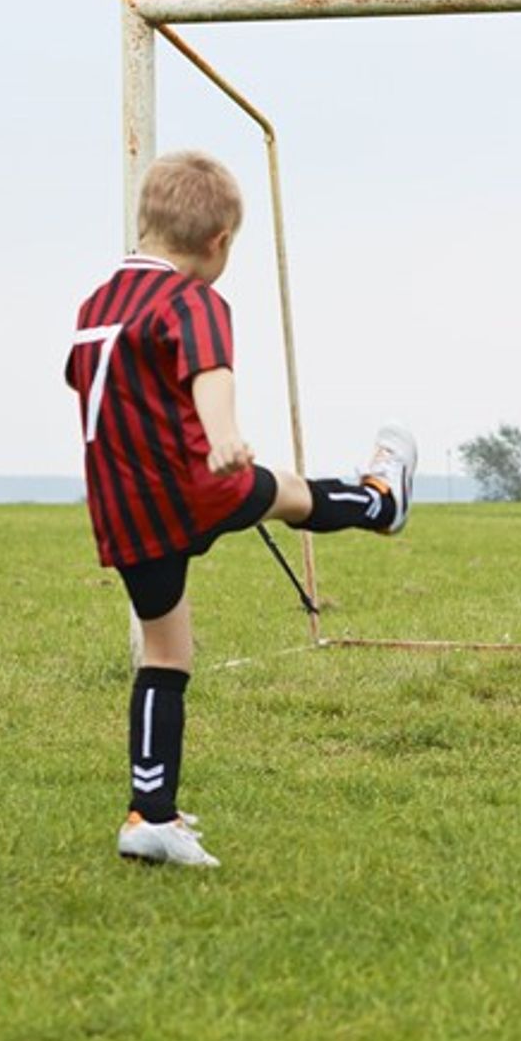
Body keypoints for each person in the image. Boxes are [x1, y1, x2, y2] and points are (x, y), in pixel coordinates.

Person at [66, 150, 417, 867]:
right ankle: (381, 500)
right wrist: (223, 437)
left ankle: (149, 815)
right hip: (193, 481)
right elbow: (209, 370)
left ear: (143, 221)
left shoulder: (94, 304)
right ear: (220, 242)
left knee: (166, 653)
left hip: (122, 505)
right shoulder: (191, 299)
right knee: (289, 493)